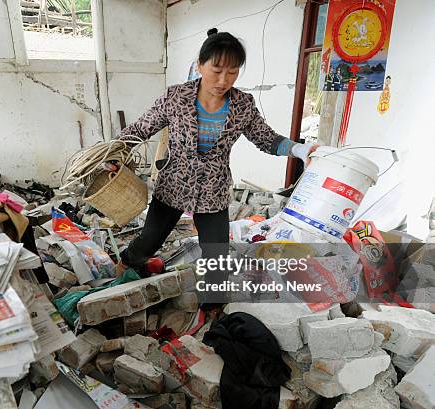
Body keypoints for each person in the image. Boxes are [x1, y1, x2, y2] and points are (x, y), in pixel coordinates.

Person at [116, 28, 317, 302]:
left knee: (216, 254)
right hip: (174, 186)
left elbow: (266, 139)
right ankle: (128, 265)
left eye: (233, 72)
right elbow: (139, 129)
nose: (224, 80)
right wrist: (112, 154)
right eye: (217, 69)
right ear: (200, 64)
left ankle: (212, 307)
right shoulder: (175, 98)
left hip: (213, 191)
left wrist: (299, 149)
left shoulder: (242, 104)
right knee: (149, 241)